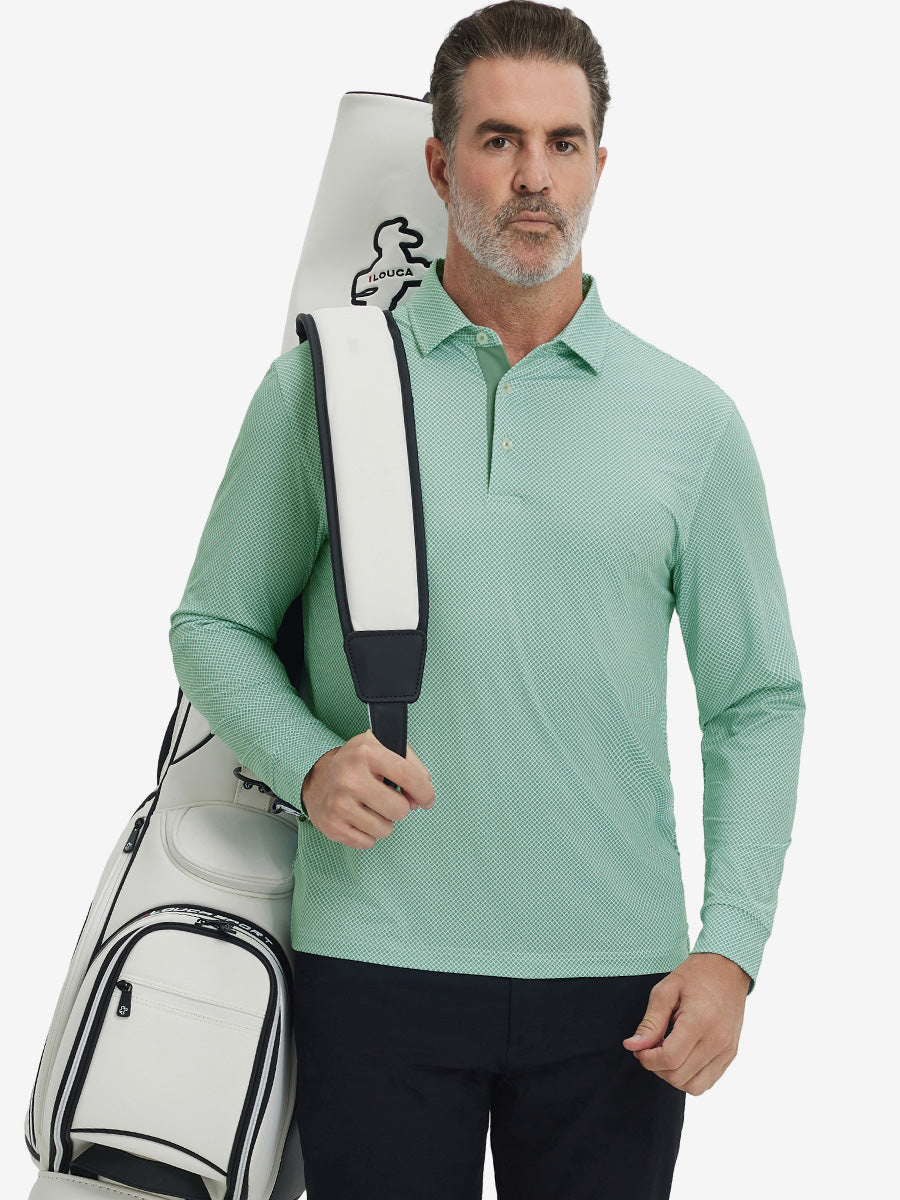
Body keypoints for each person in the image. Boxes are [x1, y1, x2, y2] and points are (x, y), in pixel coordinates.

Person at [169, 2, 806, 1196]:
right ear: (438, 162)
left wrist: (731, 949)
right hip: (378, 957)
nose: (533, 178)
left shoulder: (691, 421)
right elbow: (214, 621)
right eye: (499, 139)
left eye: (564, 143)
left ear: (601, 164)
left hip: (622, 981)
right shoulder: (325, 386)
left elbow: (757, 701)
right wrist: (306, 762)